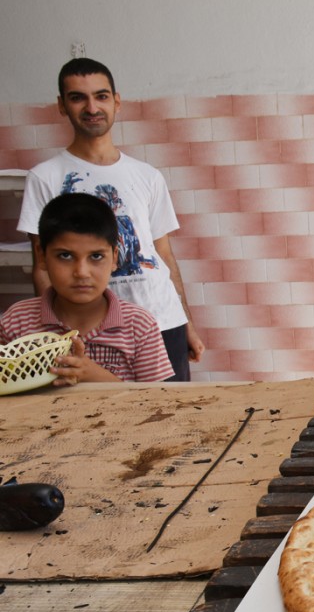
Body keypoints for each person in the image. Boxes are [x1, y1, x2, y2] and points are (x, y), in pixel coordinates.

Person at [17, 57, 203, 380]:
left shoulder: (147, 175)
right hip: (89, 331)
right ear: (62, 106)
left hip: (162, 322)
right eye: (78, 97)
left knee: (171, 421)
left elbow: (164, 256)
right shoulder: (44, 177)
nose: (92, 107)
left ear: (116, 101)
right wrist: (55, 334)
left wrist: (186, 322)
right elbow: (43, 264)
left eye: (101, 96)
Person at [1, 193, 175, 384]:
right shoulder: (16, 322)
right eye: (65, 256)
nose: (82, 272)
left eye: (96, 256)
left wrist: (97, 378)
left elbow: (156, 403)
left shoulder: (139, 325)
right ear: (41, 257)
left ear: (114, 258)